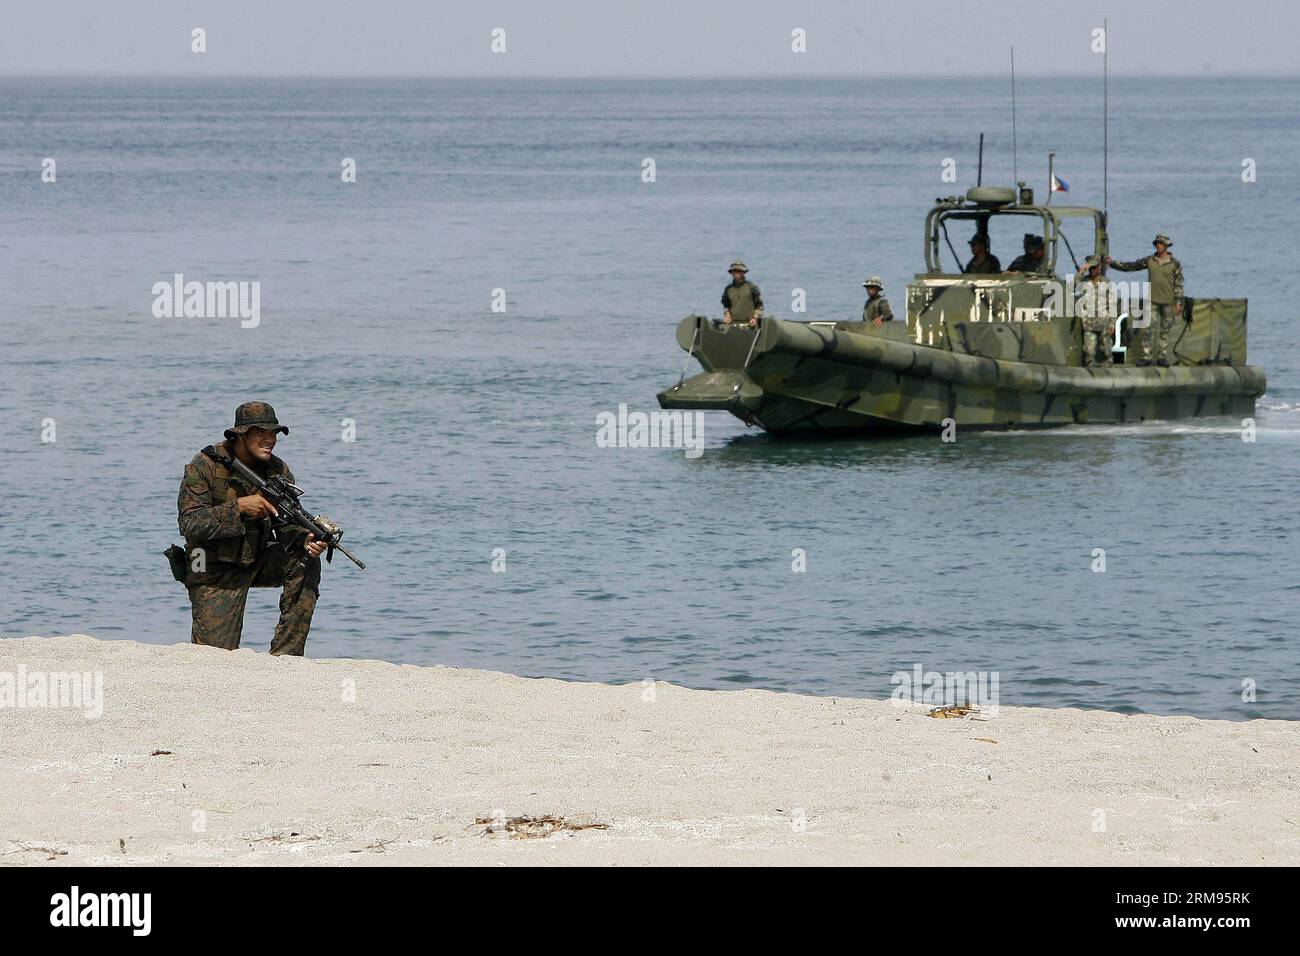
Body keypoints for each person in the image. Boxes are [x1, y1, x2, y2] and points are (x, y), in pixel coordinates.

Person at [177, 402, 327, 655]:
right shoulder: (205, 465)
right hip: (213, 569)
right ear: (240, 435)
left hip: (257, 559)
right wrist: (239, 508)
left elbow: (287, 524)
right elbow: (190, 524)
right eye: (262, 433)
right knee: (213, 658)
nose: (270, 440)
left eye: (274, 434)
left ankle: (286, 656)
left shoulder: (278, 470)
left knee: (306, 557)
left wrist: (305, 538)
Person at [1107, 233, 1184, 367]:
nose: (1159, 246)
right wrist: (1112, 263)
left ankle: (1162, 357)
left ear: (1166, 246)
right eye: (1157, 243)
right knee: (1148, 328)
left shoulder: (1174, 264)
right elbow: (1131, 266)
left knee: (1165, 331)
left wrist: (1178, 302)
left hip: (1168, 301)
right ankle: (1146, 357)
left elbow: (1179, 284)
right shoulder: (1150, 260)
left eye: (1161, 244)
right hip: (1152, 301)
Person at [1075, 255, 1116, 368]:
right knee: (1089, 349)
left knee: (1106, 346)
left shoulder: (1106, 282)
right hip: (1089, 322)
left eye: (1095, 267)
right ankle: (1091, 364)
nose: (1093, 270)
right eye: (1091, 268)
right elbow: (1073, 285)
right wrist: (1081, 271)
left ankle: (1108, 361)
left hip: (1104, 322)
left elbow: (1112, 304)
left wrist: (1112, 323)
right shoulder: (1084, 282)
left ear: (1099, 267)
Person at [721, 261, 763, 327]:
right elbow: (725, 304)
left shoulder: (751, 287)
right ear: (731, 273)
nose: (737, 273)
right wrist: (727, 314)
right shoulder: (728, 289)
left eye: (739, 271)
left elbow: (759, 305)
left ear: (743, 272)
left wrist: (755, 318)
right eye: (734, 271)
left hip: (749, 324)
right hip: (732, 324)